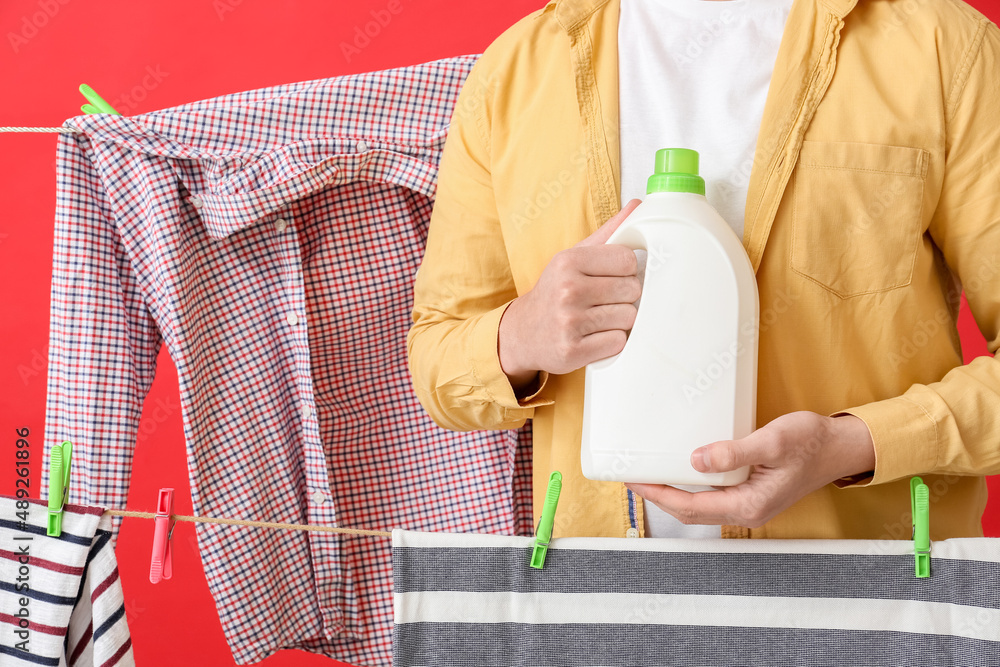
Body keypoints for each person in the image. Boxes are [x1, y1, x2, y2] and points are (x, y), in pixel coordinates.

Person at [407, 0, 1000, 540]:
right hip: (597, 602)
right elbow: (438, 355)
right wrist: (520, 334)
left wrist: (848, 445)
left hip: (868, 602)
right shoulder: (515, 74)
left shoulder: (945, 51)